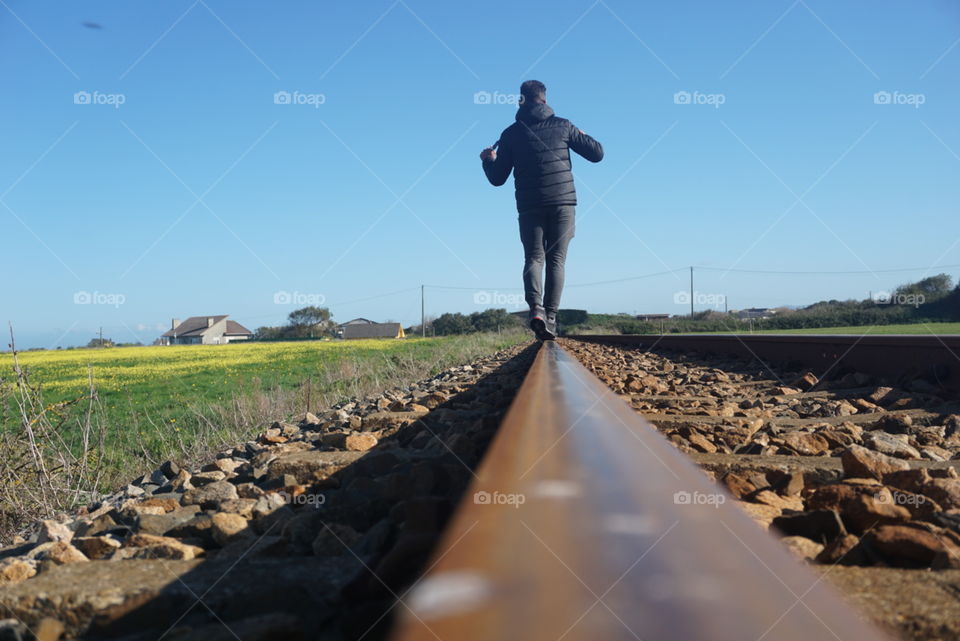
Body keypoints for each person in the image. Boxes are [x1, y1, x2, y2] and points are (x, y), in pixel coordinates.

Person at [480, 80, 603, 341]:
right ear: (545, 100)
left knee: (534, 258)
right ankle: (551, 318)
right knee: (556, 260)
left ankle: (535, 309)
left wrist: (487, 161)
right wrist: (581, 133)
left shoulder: (510, 134)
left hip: (529, 205)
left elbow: (497, 179)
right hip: (563, 203)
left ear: (520, 101)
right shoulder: (563, 125)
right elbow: (597, 154)